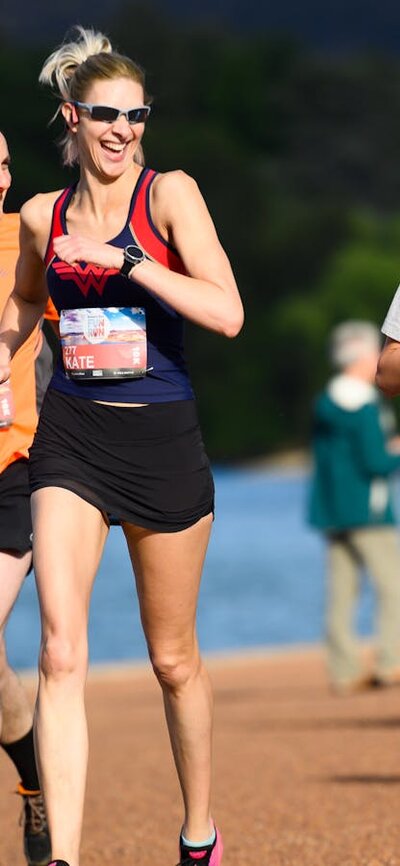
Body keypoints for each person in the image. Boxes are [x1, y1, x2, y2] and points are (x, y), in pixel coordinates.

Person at [0, 26, 244, 866]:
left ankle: (199, 835)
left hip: (163, 442)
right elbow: (28, 305)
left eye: (136, 116)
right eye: (105, 115)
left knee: (173, 661)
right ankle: (64, 857)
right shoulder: (42, 215)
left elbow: (226, 312)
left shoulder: (172, 194)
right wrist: (4, 360)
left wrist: (126, 260)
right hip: (72, 435)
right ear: (73, 115)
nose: (122, 131)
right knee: (61, 648)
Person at [0, 130, 53, 865]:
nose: (1, 181)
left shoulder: (31, 234)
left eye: (5, 164)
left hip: (19, 461)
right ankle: (36, 786)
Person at [308, 320, 400, 695]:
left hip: (332, 509)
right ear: (363, 357)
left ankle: (344, 671)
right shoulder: (364, 405)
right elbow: (376, 463)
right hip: (368, 510)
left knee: (342, 593)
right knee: (392, 587)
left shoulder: (326, 401)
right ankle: (391, 662)